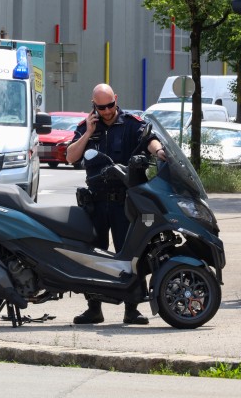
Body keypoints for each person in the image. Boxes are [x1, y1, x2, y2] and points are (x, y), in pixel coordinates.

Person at [66, 83, 167, 326]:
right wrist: (89, 133)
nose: (107, 111)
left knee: (131, 255)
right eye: (101, 107)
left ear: (116, 100)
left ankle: (132, 310)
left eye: (110, 105)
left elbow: (150, 139)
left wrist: (161, 152)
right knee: (93, 256)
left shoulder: (132, 123)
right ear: (94, 105)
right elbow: (70, 156)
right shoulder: (87, 127)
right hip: (97, 203)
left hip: (126, 203)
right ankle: (94, 309)